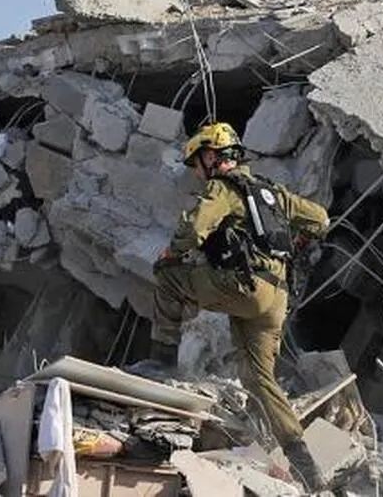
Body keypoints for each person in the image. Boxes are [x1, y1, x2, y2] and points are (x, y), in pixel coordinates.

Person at [138, 121, 331, 491]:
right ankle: (307, 468)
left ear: (212, 157)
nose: (197, 173)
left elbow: (195, 229)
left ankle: (160, 363)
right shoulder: (272, 193)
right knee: (259, 379)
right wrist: (297, 241)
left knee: (168, 277)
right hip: (276, 298)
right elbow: (320, 219)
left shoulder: (222, 188)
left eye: (197, 163)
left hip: (244, 287)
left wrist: (171, 253)